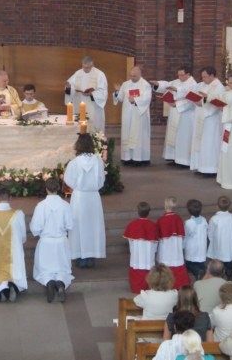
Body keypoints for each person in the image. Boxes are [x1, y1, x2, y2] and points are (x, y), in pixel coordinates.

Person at [63, 133, 106, 268]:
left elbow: (68, 179)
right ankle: (91, 257)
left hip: (80, 197)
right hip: (93, 197)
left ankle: (80, 257)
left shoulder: (74, 163)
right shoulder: (98, 161)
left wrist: (78, 187)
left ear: (79, 145)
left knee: (79, 226)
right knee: (93, 225)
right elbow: (101, 181)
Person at [30, 178, 74, 303]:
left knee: (44, 270)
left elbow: (35, 228)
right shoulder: (65, 205)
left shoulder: (41, 206)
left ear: (46, 189)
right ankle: (60, 283)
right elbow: (70, 225)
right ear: (59, 188)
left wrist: (41, 232)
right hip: (61, 242)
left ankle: (49, 283)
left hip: (46, 243)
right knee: (62, 269)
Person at [112, 66, 152, 165]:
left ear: (140, 74)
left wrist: (135, 100)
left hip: (139, 115)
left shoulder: (145, 85)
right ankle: (127, 158)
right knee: (127, 134)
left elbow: (147, 99)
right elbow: (120, 98)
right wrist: (117, 92)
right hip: (127, 114)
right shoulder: (125, 84)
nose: (132, 78)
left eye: (134, 76)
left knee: (138, 135)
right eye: (131, 76)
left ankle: (139, 158)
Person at [189, 67, 225, 176]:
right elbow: (196, 95)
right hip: (201, 117)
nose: (203, 79)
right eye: (202, 77)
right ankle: (201, 167)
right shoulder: (202, 85)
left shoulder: (219, 87)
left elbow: (218, 102)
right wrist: (196, 100)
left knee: (210, 144)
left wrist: (204, 101)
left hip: (211, 120)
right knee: (201, 144)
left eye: (205, 77)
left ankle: (211, 169)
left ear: (212, 75)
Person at [123, 201, 159, 293]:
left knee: (136, 269)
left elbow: (130, 241)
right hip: (148, 256)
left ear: (138, 211)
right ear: (149, 212)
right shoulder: (153, 225)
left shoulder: (132, 225)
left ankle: (136, 288)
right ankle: (149, 288)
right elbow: (155, 242)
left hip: (136, 256)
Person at [65, 56, 108, 133]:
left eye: (87, 68)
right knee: (80, 127)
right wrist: (68, 87)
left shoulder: (99, 74)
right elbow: (70, 87)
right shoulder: (78, 73)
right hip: (79, 103)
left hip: (93, 106)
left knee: (93, 128)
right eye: (83, 67)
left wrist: (92, 93)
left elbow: (103, 92)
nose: (85, 69)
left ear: (92, 65)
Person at [157, 197, 189, 288]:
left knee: (165, 264)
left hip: (165, 248)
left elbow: (158, 235)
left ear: (165, 206)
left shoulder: (161, 220)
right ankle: (179, 283)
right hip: (176, 247)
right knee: (177, 261)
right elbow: (182, 234)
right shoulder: (178, 219)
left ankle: (164, 284)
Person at [207, 196, 232, 280]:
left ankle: (219, 276)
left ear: (217, 206)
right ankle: (230, 276)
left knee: (218, 262)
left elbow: (210, 233)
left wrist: (212, 241)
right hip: (229, 244)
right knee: (229, 262)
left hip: (218, 245)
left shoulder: (214, 218)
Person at [184, 199, 208, 281]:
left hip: (192, 248)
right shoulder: (204, 220)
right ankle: (203, 272)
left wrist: (182, 246)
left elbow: (185, 235)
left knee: (189, 264)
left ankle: (197, 272)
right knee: (201, 263)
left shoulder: (188, 223)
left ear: (188, 210)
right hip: (202, 248)